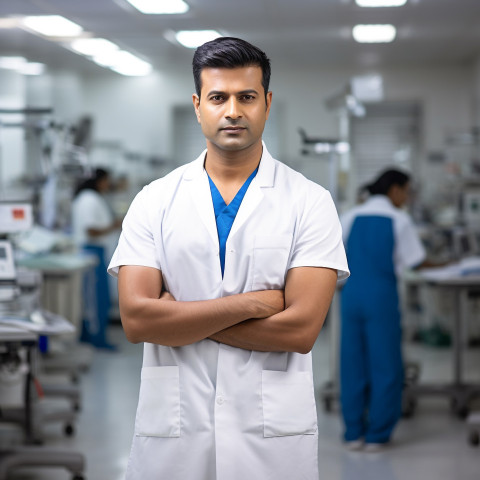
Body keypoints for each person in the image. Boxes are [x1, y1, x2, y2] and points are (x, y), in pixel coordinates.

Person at [108, 37, 349, 480]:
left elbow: (300, 329)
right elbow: (138, 321)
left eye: (247, 97)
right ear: (198, 105)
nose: (233, 110)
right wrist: (253, 304)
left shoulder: (309, 202)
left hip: (270, 437)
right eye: (218, 97)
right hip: (176, 434)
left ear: (267, 103)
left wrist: (178, 319)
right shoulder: (155, 200)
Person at [339, 168, 426, 452]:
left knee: (352, 362)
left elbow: (334, 256)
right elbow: (415, 261)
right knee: (385, 364)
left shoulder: (350, 216)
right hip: (381, 297)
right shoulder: (399, 220)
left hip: (350, 296)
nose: (407, 197)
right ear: (395, 190)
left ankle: (353, 432)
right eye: (406, 191)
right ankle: (376, 434)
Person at [72, 168, 122, 349]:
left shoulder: (91, 198)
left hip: (96, 251)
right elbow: (91, 230)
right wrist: (116, 225)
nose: (108, 184)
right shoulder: (89, 199)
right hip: (91, 252)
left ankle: (92, 336)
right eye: (107, 180)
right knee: (96, 299)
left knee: (96, 298)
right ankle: (96, 338)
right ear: (99, 181)